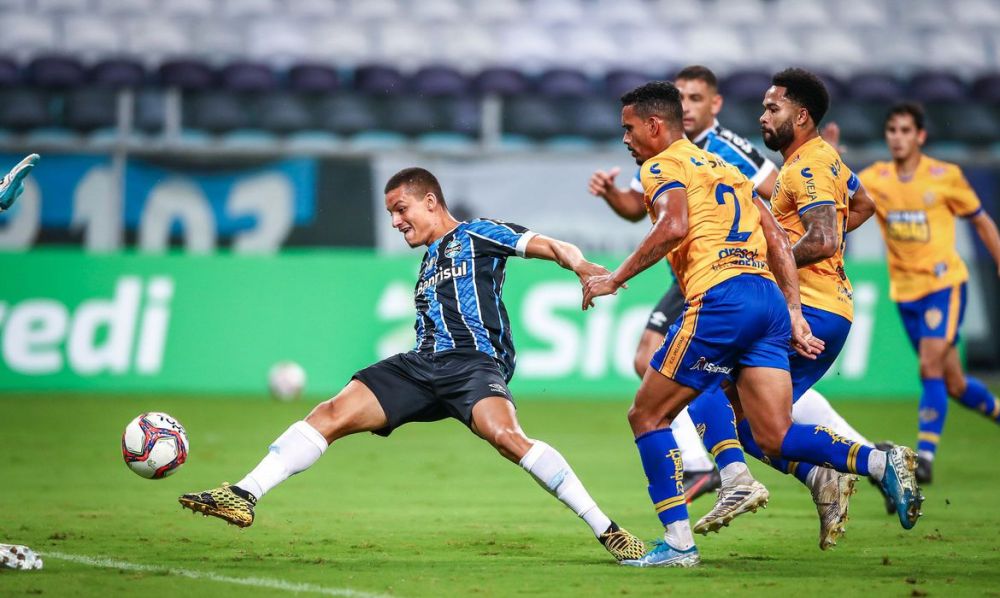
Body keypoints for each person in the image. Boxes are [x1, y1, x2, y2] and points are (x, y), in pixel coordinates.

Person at [178, 167, 646, 563]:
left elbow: (553, 245)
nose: (396, 221)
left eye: (401, 210)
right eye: (390, 214)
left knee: (507, 438)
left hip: (474, 363)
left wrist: (584, 267)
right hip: (421, 366)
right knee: (330, 412)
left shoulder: (477, 233)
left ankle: (609, 530)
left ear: (429, 201)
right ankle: (243, 495)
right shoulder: (427, 265)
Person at [582, 81, 921, 567]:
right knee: (773, 432)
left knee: (648, 414)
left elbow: (673, 225)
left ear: (655, 127)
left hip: (722, 297)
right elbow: (779, 243)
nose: (626, 140)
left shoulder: (661, 165)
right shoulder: (726, 167)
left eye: (629, 129)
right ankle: (876, 460)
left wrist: (615, 277)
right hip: (766, 297)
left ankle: (683, 539)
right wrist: (793, 311)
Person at [857, 102, 1000, 484]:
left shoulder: (945, 175)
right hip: (905, 293)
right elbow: (843, 194)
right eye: (892, 131)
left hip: (943, 285)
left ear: (920, 136)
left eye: (905, 131)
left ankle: (926, 456)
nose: (898, 138)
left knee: (928, 366)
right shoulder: (877, 178)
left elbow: (981, 221)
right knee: (952, 382)